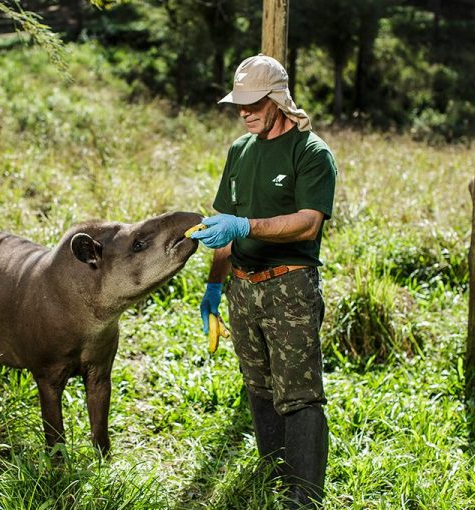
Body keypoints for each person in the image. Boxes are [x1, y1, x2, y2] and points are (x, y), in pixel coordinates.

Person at [189, 54, 337, 509]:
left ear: (278, 98)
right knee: (258, 384)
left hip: (288, 287)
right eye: (239, 104)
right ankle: (274, 474)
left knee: (299, 394)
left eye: (254, 103)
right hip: (242, 286)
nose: (246, 112)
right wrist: (215, 287)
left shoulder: (311, 153)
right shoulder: (239, 150)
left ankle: (304, 496)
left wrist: (246, 226)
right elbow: (223, 227)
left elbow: (308, 223)